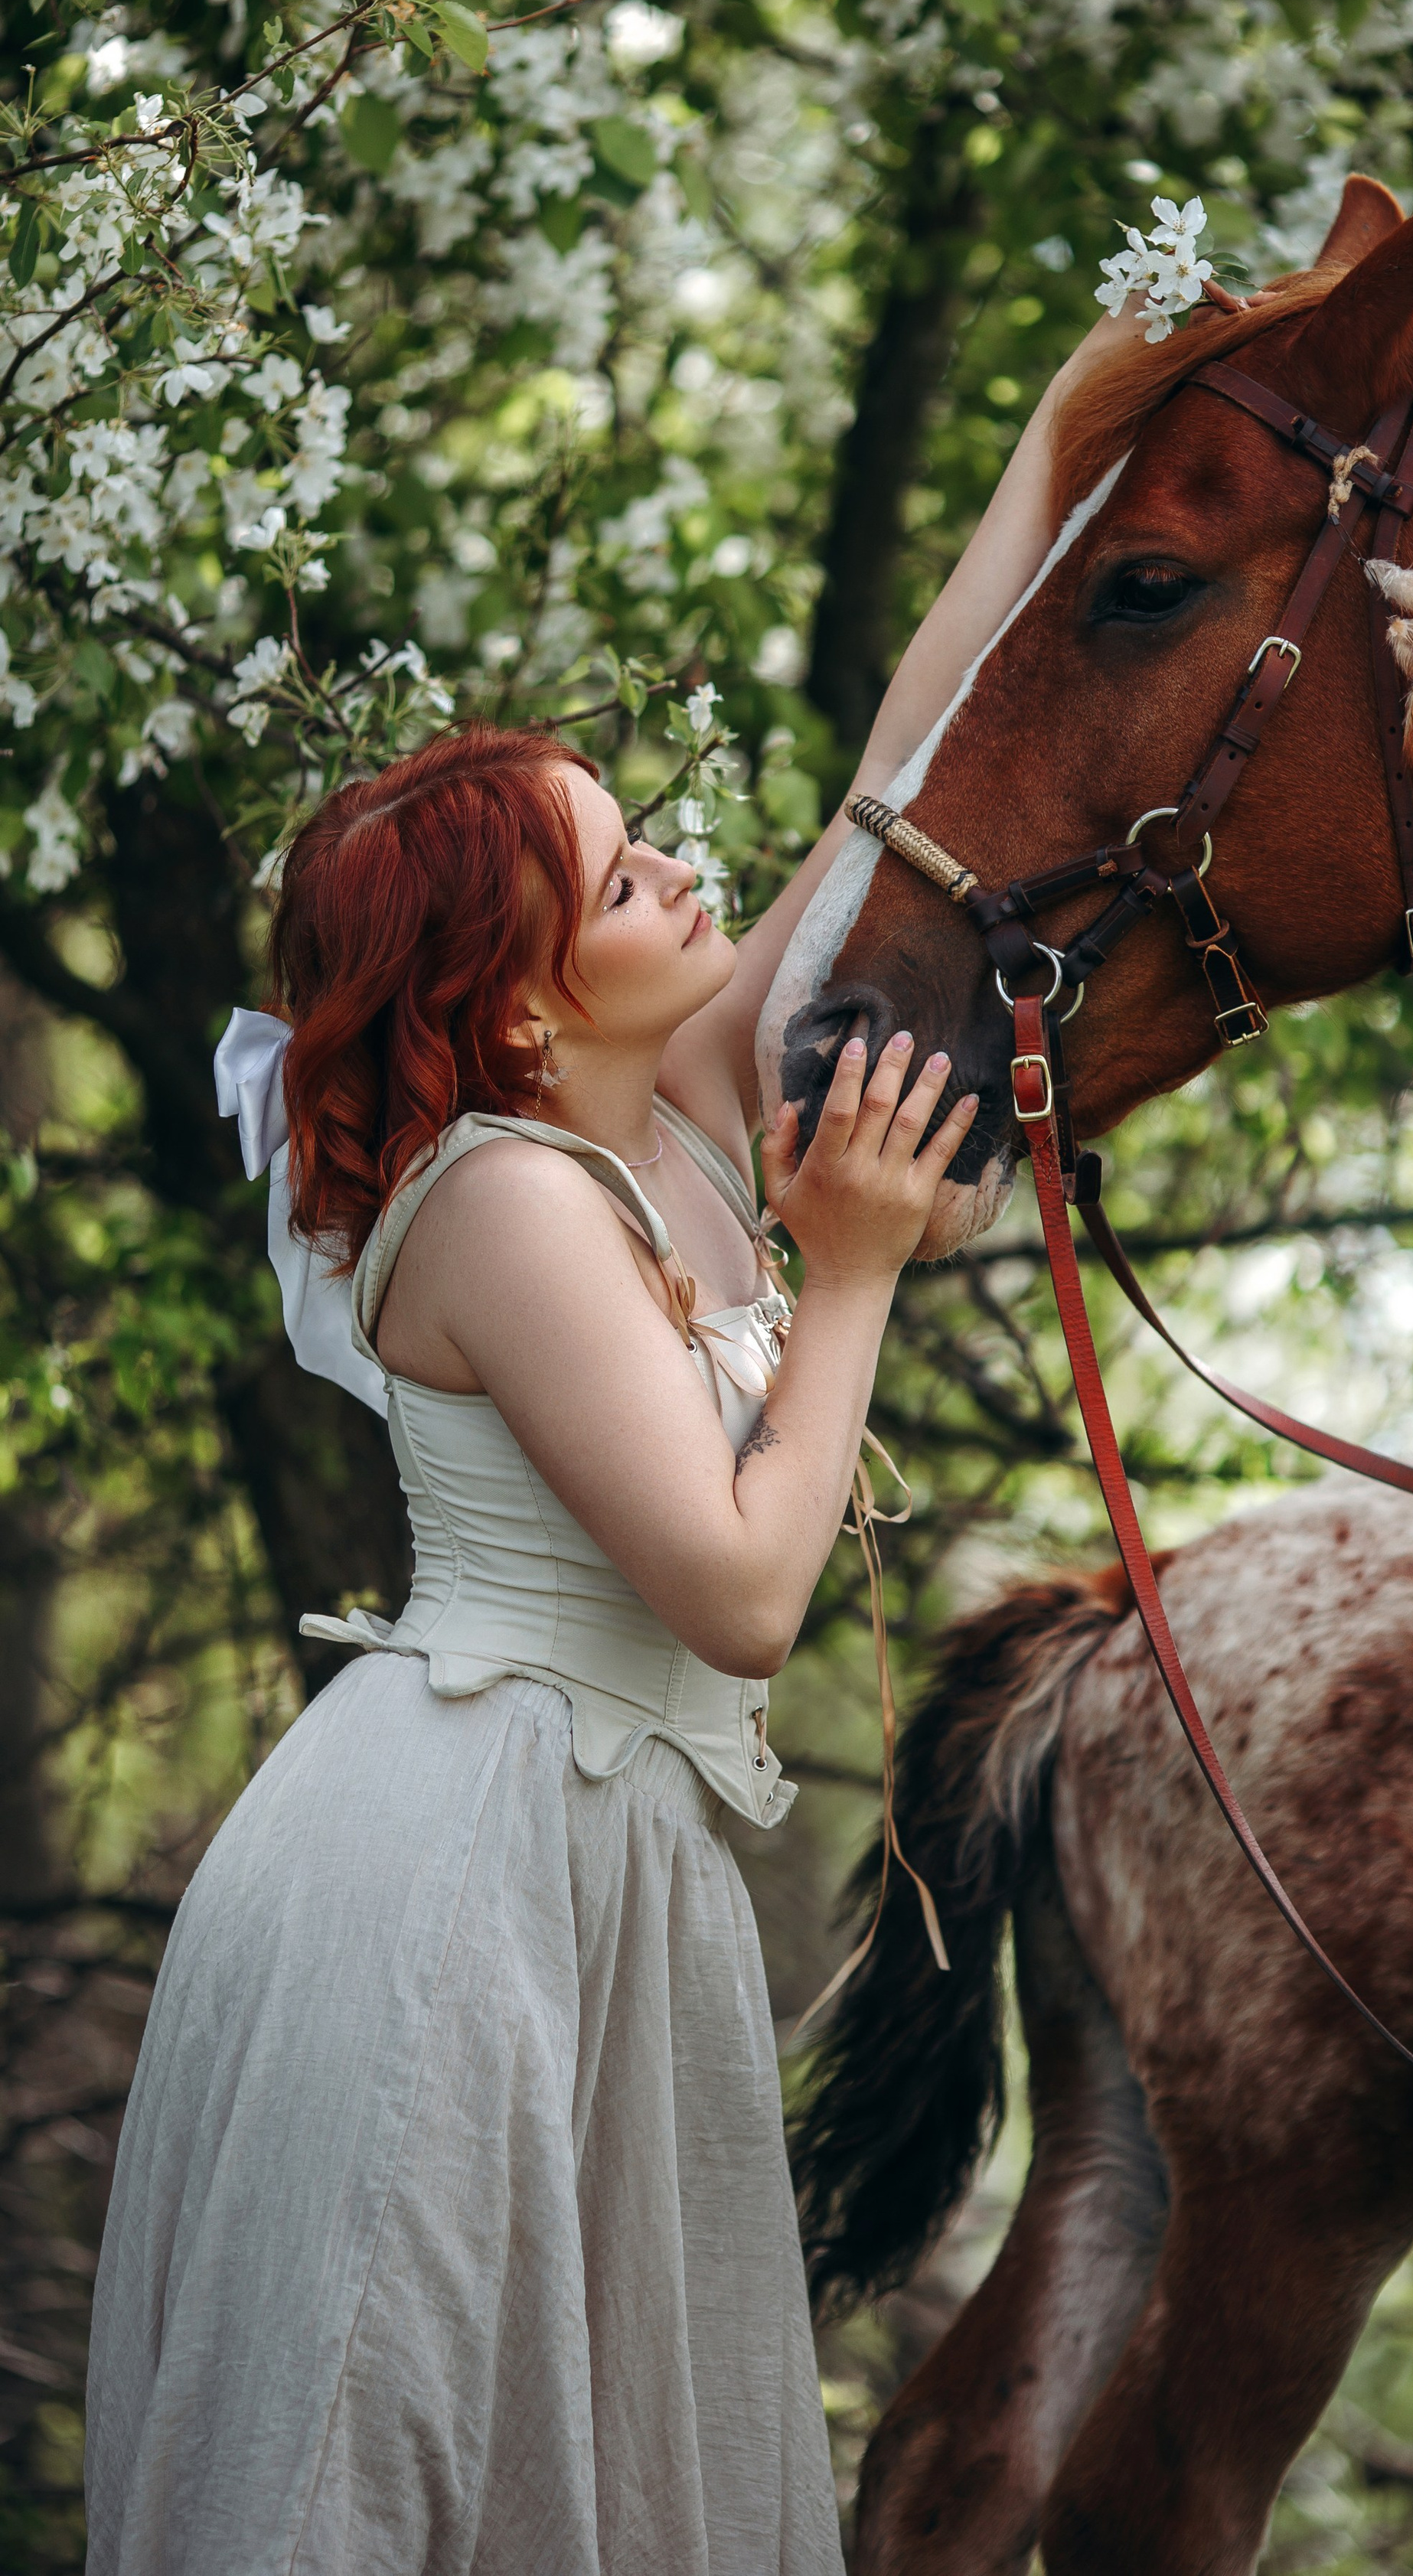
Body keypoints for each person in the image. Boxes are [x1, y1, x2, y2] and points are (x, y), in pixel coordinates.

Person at [82, 311, 1130, 2576]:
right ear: (529, 994)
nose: (682, 874)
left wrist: (1062, 435)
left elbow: (891, 780)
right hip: (455, 1873)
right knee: (390, 2431)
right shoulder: (509, 1204)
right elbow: (744, 1589)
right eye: (623, 866)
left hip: (602, 1862)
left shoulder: (654, 1109)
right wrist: (844, 1269)